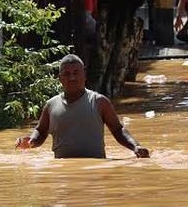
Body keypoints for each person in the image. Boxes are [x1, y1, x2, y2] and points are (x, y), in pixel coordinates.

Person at [15, 55, 150, 159]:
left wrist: (135, 147)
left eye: (76, 72)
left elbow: (118, 130)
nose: (72, 77)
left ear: (84, 75)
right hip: (62, 175)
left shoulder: (99, 102)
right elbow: (41, 131)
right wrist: (31, 141)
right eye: (67, 74)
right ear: (60, 78)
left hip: (95, 171)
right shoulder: (51, 105)